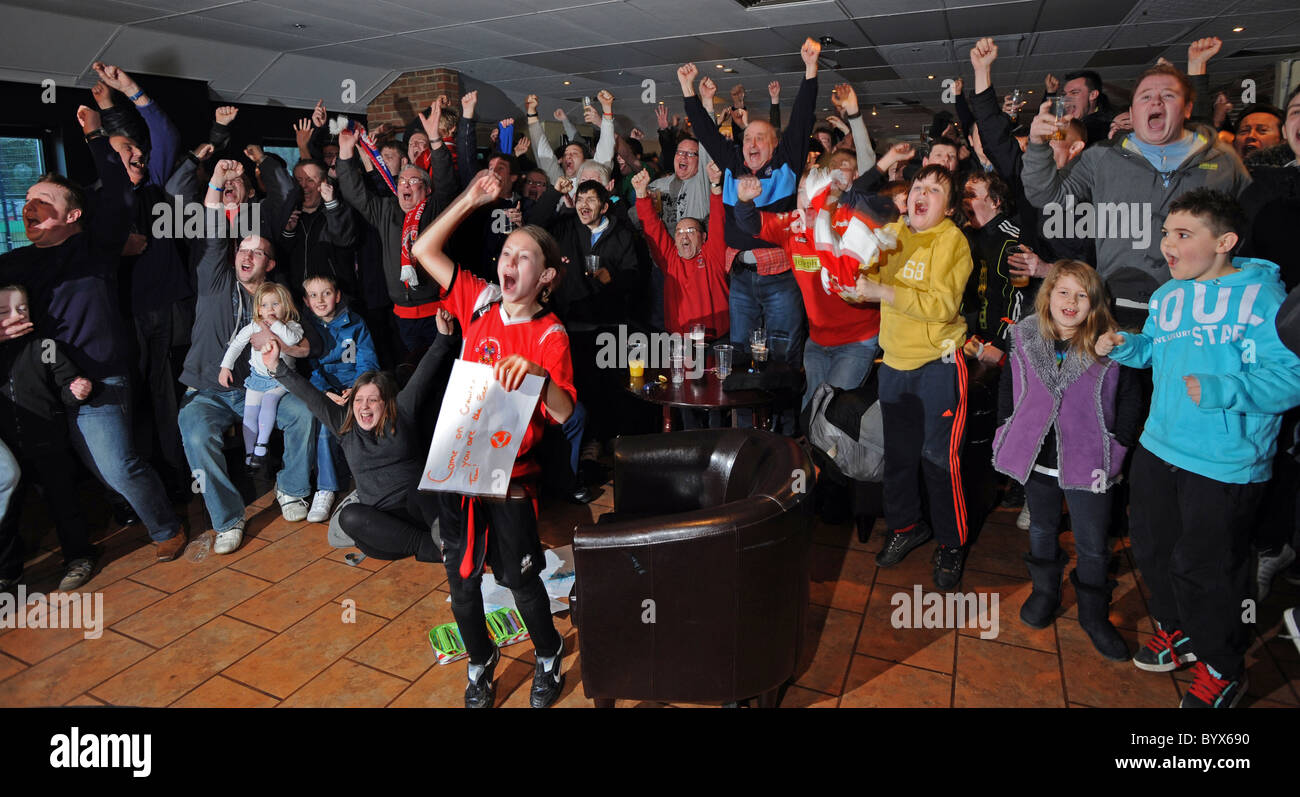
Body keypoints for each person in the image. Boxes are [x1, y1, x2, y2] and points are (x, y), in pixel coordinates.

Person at [1097, 189, 1300, 707]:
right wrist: (1128, 345)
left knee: (1207, 567)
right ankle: (1179, 628)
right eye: (1166, 233)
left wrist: (1224, 389)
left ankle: (1224, 667)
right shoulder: (1169, 296)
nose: (1167, 245)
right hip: (1159, 448)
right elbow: (1158, 353)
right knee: (1154, 549)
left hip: (1225, 463)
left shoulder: (1264, 299)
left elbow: (1291, 378)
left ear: (1225, 242)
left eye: (1183, 235)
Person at [410, 171, 575, 709]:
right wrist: (471, 200)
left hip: (512, 482)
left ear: (545, 276)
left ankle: (547, 653)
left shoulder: (551, 335)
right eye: (506, 251)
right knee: (461, 585)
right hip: (460, 471)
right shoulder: (477, 302)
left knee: (520, 579)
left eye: (524, 256)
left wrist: (536, 376)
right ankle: (481, 661)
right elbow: (422, 247)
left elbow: (565, 411)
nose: (510, 262)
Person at [1, 105, 186, 561]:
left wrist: (95, 135)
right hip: (46, 389)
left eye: (44, 199)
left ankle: (166, 528)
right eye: (27, 198)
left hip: (101, 378)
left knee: (119, 467)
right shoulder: (20, 260)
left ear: (73, 213)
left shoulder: (95, 249)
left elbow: (121, 192)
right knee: (93, 470)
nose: (31, 205)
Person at [1022, 62, 1251, 329]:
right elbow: (1046, 197)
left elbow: (1250, 230)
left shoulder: (1222, 160)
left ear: (1187, 108)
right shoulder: (1101, 157)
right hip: (1118, 306)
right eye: (1145, 96)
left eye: (1168, 95)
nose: (1155, 101)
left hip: (1200, 309)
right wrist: (1038, 146)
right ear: (1132, 111)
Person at [992, 262, 1142, 659]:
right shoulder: (1024, 337)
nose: (1071, 302)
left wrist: (1120, 443)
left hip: (1091, 459)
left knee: (1093, 544)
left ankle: (1094, 615)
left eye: (1081, 294)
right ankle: (1045, 592)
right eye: (1063, 292)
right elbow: (1009, 387)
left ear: (1095, 302)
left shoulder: (1112, 346)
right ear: (1048, 296)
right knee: (1041, 528)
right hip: (1036, 455)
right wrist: (1005, 426)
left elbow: (1129, 400)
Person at [172, 155, 320, 555]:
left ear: (269, 264)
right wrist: (218, 181)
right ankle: (228, 519)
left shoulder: (281, 300)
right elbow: (213, 230)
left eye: (257, 252)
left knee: (306, 413)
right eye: (243, 249)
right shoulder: (215, 277)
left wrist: (282, 346)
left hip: (267, 389)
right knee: (196, 432)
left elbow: (311, 346)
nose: (246, 255)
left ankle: (291, 490)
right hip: (208, 390)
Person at [852, 165, 975, 589]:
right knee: (900, 458)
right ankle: (905, 527)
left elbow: (942, 306)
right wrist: (856, 281)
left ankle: (952, 543)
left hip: (939, 363)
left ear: (951, 207)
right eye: (918, 187)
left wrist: (882, 292)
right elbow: (872, 279)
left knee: (939, 460)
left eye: (935, 190)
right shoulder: (896, 234)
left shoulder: (953, 241)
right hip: (895, 363)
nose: (922, 194)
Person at [259, 311, 452, 564]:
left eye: (373, 400)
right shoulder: (345, 425)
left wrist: (443, 337)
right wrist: (276, 367)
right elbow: (310, 396)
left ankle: (442, 543)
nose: (364, 406)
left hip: (419, 514)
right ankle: (431, 547)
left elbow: (423, 375)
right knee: (349, 516)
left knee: (425, 488)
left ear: (386, 403)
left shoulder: (401, 413)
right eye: (359, 400)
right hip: (383, 527)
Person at [680, 39, 821, 377]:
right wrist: (687, 90)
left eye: (760, 138)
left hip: (781, 277)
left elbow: (801, 120)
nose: (751, 143)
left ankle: (783, 428)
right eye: (747, 139)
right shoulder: (732, 165)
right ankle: (743, 425)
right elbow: (706, 132)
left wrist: (811, 70)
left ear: (775, 146)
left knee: (783, 352)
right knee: (740, 354)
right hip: (741, 277)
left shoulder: (786, 165)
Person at [0, 285, 98, 591]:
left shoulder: (44, 345)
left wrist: (76, 389)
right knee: (8, 512)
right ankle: (9, 571)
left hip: (48, 443)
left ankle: (79, 557)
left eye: (22, 309)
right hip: (9, 448)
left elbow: (67, 381)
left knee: (63, 502)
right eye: (3, 312)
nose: (15, 316)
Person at [301, 275, 379, 522]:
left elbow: (368, 360)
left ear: (337, 296)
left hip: (355, 387)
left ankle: (369, 481)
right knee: (326, 428)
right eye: (313, 295)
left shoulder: (356, 324)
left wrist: (357, 388)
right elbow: (310, 369)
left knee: (367, 418)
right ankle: (326, 488)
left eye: (326, 293)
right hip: (326, 390)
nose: (320, 300)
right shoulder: (306, 329)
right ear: (306, 301)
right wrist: (326, 392)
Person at [219, 282, 305, 472]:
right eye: (264, 305)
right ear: (258, 308)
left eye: (276, 304)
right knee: (249, 414)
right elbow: (236, 345)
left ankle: (261, 446)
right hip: (257, 378)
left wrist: (275, 325)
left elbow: (291, 340)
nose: (270, 309)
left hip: (280, 379)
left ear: (286, 305)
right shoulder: (253, 326)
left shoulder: (292, 326)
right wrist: (226, 367)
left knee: (268, 402)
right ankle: (251, 455)